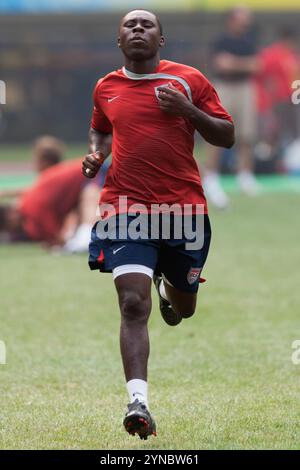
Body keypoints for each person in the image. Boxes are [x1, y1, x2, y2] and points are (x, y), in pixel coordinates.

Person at [82, 9, 234, 439]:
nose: (137, 29)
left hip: (183, 211)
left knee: (182, 310)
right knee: (132, 304)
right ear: (118, 41)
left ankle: (172, 289)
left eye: (146, 25)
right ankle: (138, 403)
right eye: (129, 25)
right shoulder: (105, 87)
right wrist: (97, 154)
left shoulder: (189, 80)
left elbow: (226, 135)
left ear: (161, 41)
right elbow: (99, 130)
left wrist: (188, 109)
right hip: (125, 208)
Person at [203, 5, 259, 209]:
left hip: (245, 87)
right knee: (218, 131)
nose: (245, 22)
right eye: (242, 18)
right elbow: (220, 65)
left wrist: (234, 63)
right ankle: (211, 176)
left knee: (247, 133)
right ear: (232, 20)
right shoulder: (221, 40)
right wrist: (243, 64)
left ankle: (245, 175)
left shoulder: (250, 40)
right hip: (224, 87)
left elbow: (256, 65)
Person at [0, 158, 107, 251]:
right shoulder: (29, 202)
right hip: (89, 171)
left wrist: (60, 244)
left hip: (92, 173)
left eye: (9, 228)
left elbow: (57, 239)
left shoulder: (32, 209)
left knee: (87, 230)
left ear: (10, 217)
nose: (14, 230)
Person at [255, 29, 300, 163]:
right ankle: (268, 163)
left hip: (290, 101)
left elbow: (295, 79)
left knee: (290, 134)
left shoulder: (292, 56)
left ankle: (286, 162)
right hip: (275, 102)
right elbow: (262, 76)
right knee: (272, 133)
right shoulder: (271, 54)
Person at [0, 135, 65, 199]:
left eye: (36, 157)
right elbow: (32, 190)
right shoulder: (55, 176)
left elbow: (33, 192)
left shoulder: (51, 179)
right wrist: (6, 192)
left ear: (45, 162)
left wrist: (6, 193)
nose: (33, 160)